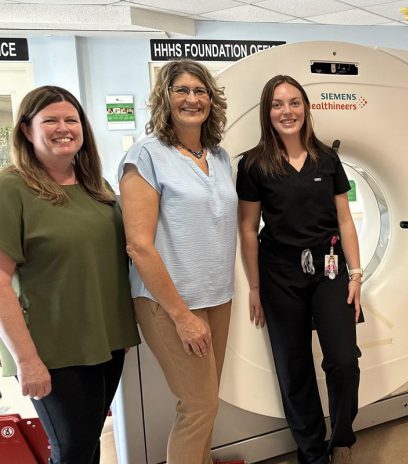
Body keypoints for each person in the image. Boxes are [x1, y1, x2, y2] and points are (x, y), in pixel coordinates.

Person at [0, 85, 140, 463]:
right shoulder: (11, 188)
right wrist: (27, 360)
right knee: (73, 449)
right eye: (50, 120)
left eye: (71, 119)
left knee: (87, 441)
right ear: (27, 130)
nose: (63, 128)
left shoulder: (96, 186)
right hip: (52, 349)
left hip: (104, 341)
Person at [236, 75, 362, 464]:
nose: (287, 111)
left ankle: (340, 435)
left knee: (343, 359)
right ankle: (312, 453)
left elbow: (344, 219)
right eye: (277, 104)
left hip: (329, 269)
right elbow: (247, 228)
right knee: (293, 368)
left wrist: (356, 274)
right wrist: (255, 288)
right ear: (267, 112)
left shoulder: (328, 159)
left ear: (306, 108)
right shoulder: (254, 164)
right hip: (279, 274)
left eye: (294, 102)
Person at [118, 60, 237, 464]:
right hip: (169, 302)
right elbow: (138, 245)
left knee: (207, 405)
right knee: (198, 406)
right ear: (164, 98)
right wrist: (182, 315)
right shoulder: (146, 155)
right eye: (181, 90)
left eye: (200, 90)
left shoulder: (219, 156)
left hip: (217, 296)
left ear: (211, 100)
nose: (192, 99)